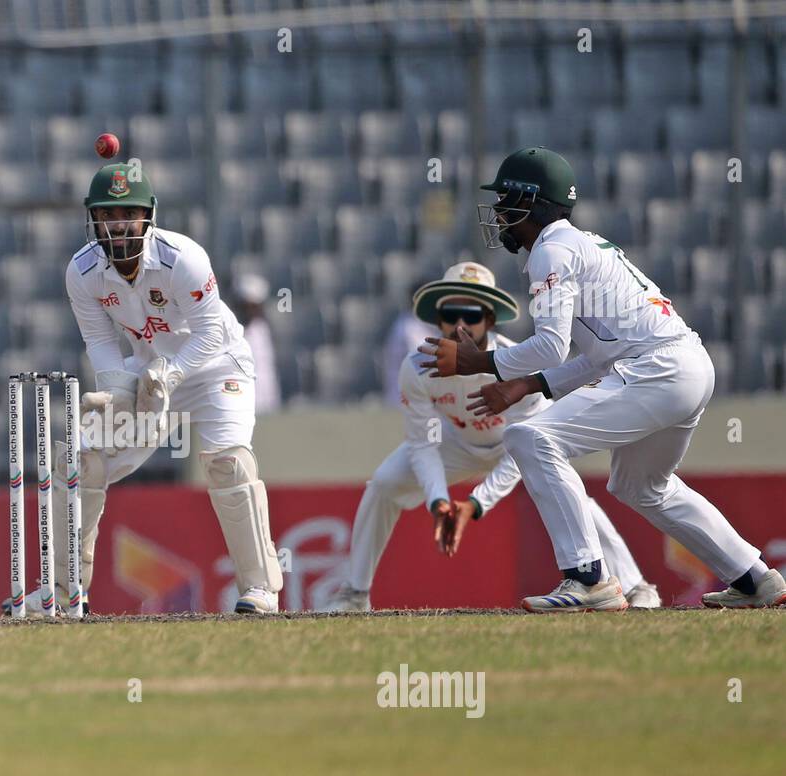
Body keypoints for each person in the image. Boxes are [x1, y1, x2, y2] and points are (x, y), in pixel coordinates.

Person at [421, 147, 784, 611]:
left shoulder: (550, 251)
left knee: (531, 436)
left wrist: (482, 362)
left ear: (530, 202)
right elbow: (598, 357)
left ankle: (587, 578)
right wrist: (528, 384)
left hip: (658, 369)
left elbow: (552, 346)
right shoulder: (582, 244)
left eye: (505, 201)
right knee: (641, 486)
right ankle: (754, 578)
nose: (498, 214)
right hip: (685, 367)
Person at [13, 161, 283, 614]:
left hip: (217, 367)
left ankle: (260, 589)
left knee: (229, 464)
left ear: (147, 215)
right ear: (94, 218)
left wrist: (171, 373)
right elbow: (99, 341)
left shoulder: (184, 259)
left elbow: (211, 333)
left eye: (128, 214)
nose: (118, 225)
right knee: (81, 462)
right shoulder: (82, 272)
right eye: (108, 215)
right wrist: (119, 389)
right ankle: (63, 594)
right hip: (148, 371)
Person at [326, 261, 659, 612]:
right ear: (435, 319)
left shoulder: (517, 362)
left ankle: (636, 587)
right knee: (383, 484)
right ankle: (355, 594)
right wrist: (438, 501)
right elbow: (423, 443)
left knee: (574, 498)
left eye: (470, 315)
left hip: (514, 446)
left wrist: (476, 503)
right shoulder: (417, 366)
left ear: (489, 320)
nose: (459, 326)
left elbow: (525, 444)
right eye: (449, 313)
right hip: (454, 443)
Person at [234, 274, 282, 414]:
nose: (250, 311)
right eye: (246, 306)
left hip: (268, 400)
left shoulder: (264, 330)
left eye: (254, 306)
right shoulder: (233, 332)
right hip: (242, 405)